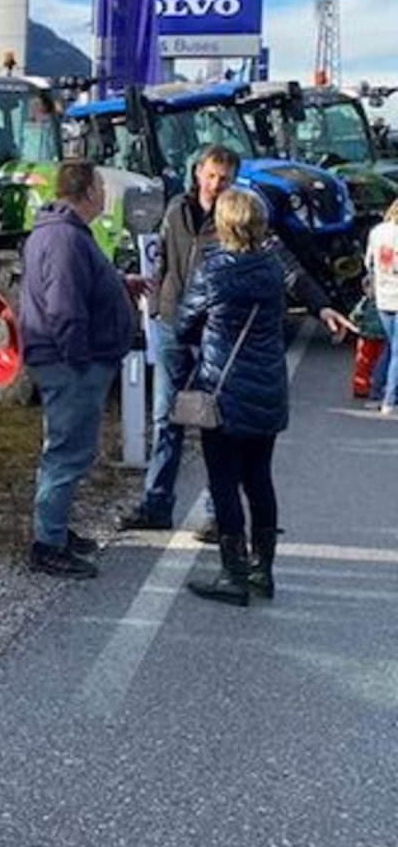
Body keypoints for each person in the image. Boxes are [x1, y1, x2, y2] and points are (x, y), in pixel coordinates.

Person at [118, 144, 354, 535]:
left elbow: (286, 266)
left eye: (224, 178)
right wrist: (158, 305)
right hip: (173, 325)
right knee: (166, 419)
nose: (216, 184)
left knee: (217, 424)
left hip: (216, 334)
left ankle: (218, 515)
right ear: (198, 173)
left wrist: (321, 306)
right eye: (211, 175)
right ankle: (157, 505)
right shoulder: (176, 210)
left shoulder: (240, 217)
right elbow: (163, 260)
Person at [20, 160, 142, 577]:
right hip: (70, 365)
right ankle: (47, 545)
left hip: (69, 361)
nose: (106, 195)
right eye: (102, 187)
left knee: (68, 450)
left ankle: (54, 529)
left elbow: (78, 286)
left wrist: (119, 285)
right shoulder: (64, 239)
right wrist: (80, 359)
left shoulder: (65, 234)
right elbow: (64, 307)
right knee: (66, 453)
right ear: (89, 191)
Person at [174, 187, 289, 604]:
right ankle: (264, 570)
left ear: (223, 224)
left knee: (224, 482)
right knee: (260, 478)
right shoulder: (273, 268)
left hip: (223, 388)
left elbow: (185, 325)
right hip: (268, 385)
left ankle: (233, 574)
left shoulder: (213, 270)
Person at [363, 196, 398, 416]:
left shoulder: (377, 232)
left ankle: (376, 391)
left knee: (391, 346)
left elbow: (368, 262)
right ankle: (389, 399)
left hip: (383, 296)